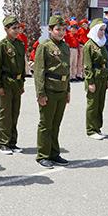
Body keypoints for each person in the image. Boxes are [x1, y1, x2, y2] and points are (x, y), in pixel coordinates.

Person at [34, 15, 70, 169]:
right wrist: (40, 94)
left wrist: (68, 90)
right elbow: (39, 71)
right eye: (57, 29)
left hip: (61, 90)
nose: (61, 32)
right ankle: (43, 155)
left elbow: (66, 70)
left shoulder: (65, 47)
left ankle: (54, 153)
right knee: (46, 124)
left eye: (63, 29)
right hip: (49, 90)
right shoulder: (45, 46)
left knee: (56, 124)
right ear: (50, 30)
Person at [0, 16, 26, 154]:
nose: (16, 30)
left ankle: (12, 142)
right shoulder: (1, 45)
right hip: (6, 83)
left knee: (15, 113)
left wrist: (22, 83)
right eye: (13, 28)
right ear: (6, 29)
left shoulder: (20, 44)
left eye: (18, 28)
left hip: (17, 83)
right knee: (5, 114)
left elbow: (21, 65)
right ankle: (3, 142)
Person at [83, 19, 108, 140]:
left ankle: (97, 128)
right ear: (94, 30)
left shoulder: (102, 43)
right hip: (94, 77)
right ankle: (90, 129)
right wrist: (90, 82)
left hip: (102, 77)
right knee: (92, 105)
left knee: (100, 104)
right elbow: (87, 66)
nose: (102, 32)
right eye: (100, 30)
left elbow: (106, 62)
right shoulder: (89, 45)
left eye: (104, 30)